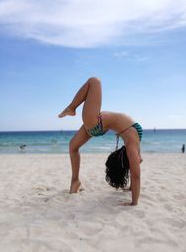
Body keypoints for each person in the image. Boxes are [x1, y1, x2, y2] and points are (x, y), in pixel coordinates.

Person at [58, 77, 142, 206]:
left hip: (96, 123)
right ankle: (75, 181)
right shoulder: (134, 144)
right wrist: (131, 187)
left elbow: (136, 175)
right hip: (96, 126)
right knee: (72, 147)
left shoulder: (132, 143)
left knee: (94, 81)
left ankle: (71, 108)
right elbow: (137, 162)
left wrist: (134, 202)